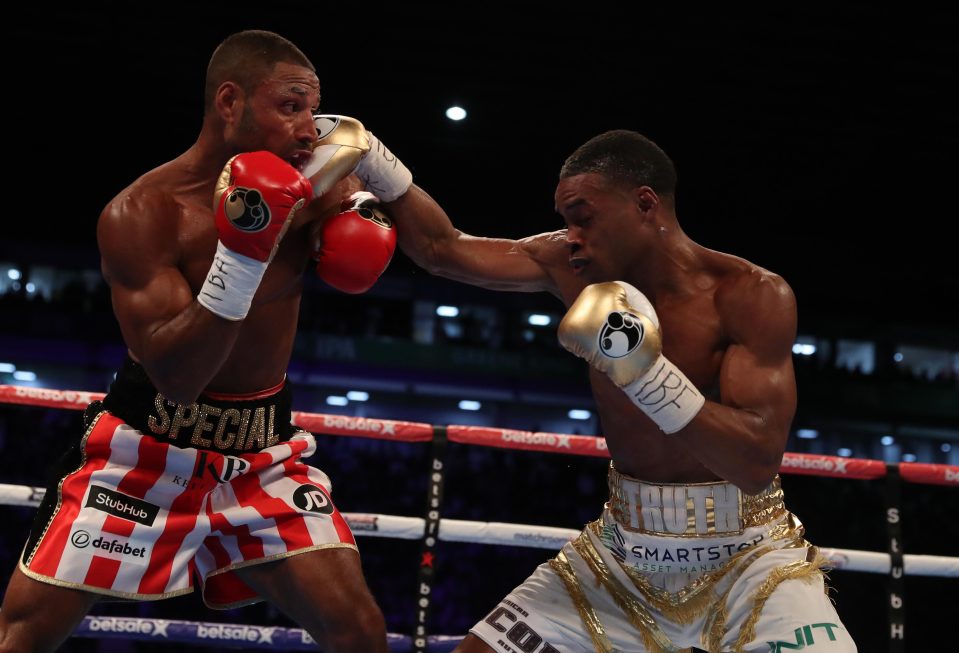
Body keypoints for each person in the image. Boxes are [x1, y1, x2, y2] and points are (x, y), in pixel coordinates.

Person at [315, 122, 858, 651]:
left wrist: (646, 375)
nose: (572, 235)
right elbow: (442, 248)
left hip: (750, 559)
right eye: (565, 221)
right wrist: (376, 161)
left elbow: (756, 460)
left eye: (584, 217)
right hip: (622, 554)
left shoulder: (750, 295)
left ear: (646, 205)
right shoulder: (571, 265)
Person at [0, 31, 399, 653]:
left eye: (311, 109)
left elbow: (442, 247)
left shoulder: (320, 189)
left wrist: (385, 189)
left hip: (259, 457)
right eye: (288, 107)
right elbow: (178, 379)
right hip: (143, 455)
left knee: (360, 633)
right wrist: (244, 254)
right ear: (230, 103)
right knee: (25, 634)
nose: (306, 128)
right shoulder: (143, 213)